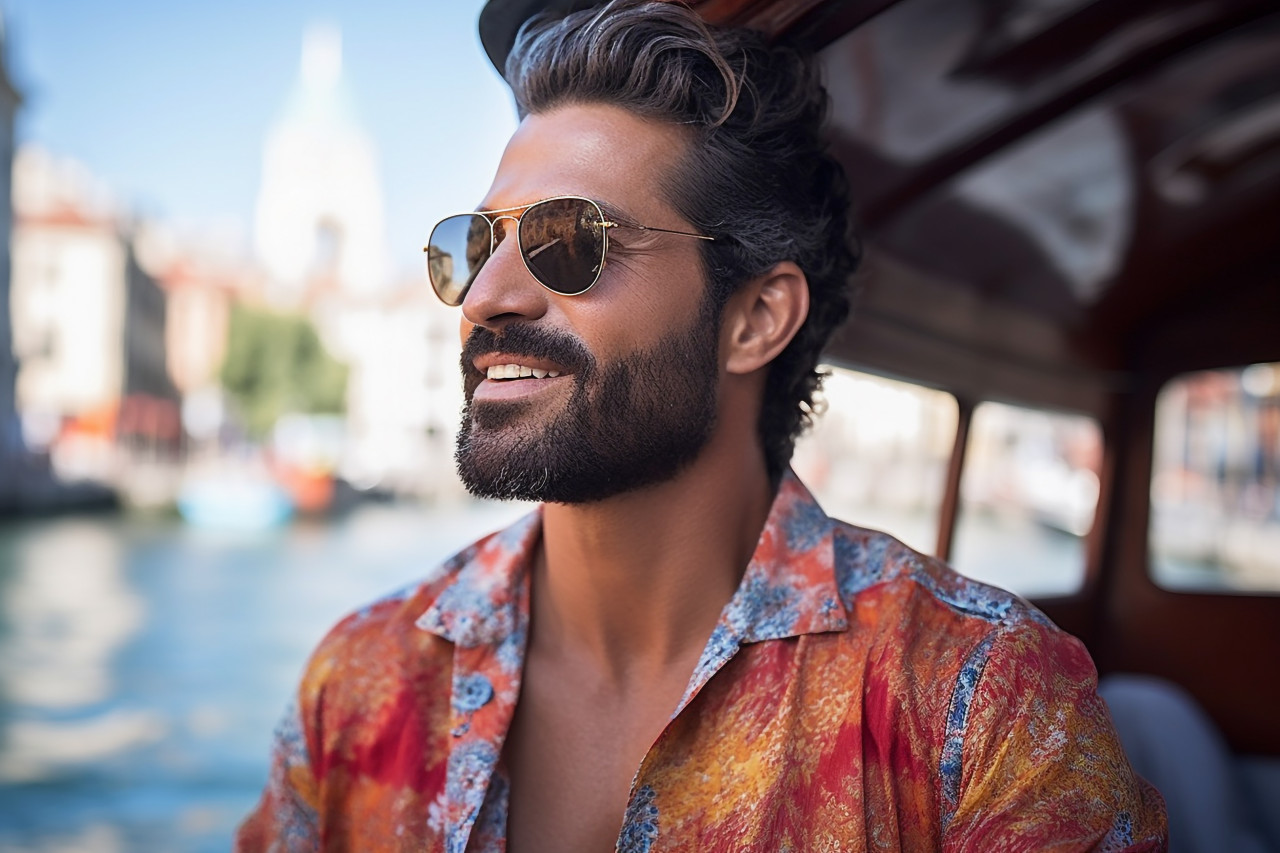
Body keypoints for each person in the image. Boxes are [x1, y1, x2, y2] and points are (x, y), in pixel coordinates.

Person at [237, 1, 1168, 850]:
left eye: (570, 240)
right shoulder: (359, 684)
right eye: (476, 245)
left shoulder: (982, 705)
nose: (485, 296)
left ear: (755, 319)